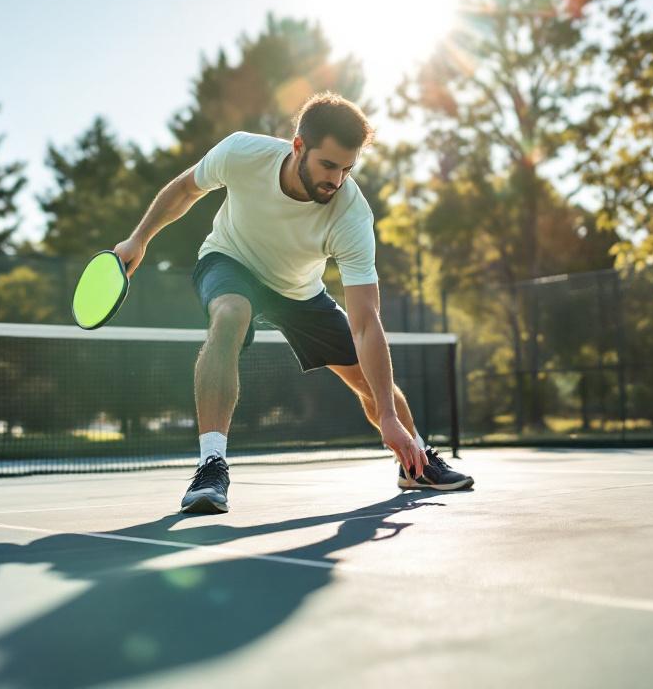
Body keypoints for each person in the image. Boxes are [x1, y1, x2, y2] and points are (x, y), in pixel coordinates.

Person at [113, 92, 473, 514]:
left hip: (300, 292)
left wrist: (390, 418)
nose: (336, 180)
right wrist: (139, 238)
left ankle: (416, 461)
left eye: (347, 169)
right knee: (231, 312)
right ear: (298, 146)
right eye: (328, 165)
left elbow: (365, 323)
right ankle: (212, 464)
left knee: (369, 382)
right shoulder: (242, 153)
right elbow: (184, 190)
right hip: (231, 261)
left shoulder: (351, 213)